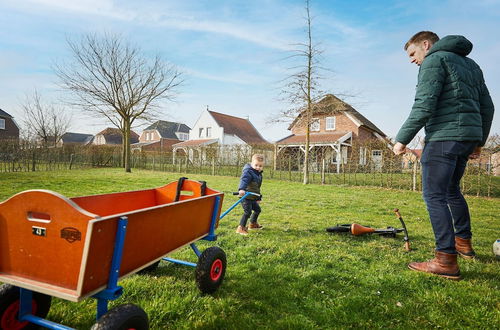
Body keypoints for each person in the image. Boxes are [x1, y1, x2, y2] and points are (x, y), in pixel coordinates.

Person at [393, 31, 495, 280]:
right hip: (465, 139)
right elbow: (487, 106)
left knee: (434, 195)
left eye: (413, 53)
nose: (412, 60)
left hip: (443, 137)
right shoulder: (471, 65)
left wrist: (401, 139)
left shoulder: (434, 60)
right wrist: (478, 142)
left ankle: (445, 260)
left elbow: (425, 104)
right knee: (451, 191)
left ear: (426, 45)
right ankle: (463, 245)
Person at [236, 154, 264, 235]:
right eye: (256, 165)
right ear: (251, 163)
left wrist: (258, 197)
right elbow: (244, 180)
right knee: (247, 212)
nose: (258, 167)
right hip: (246, 196)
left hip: (253, 197)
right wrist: (241, 189)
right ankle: (240, 228)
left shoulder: (258, 174)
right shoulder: (248, 171)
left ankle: (252, 224)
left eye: (260, 166)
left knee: (257, 210)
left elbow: (257, 187)